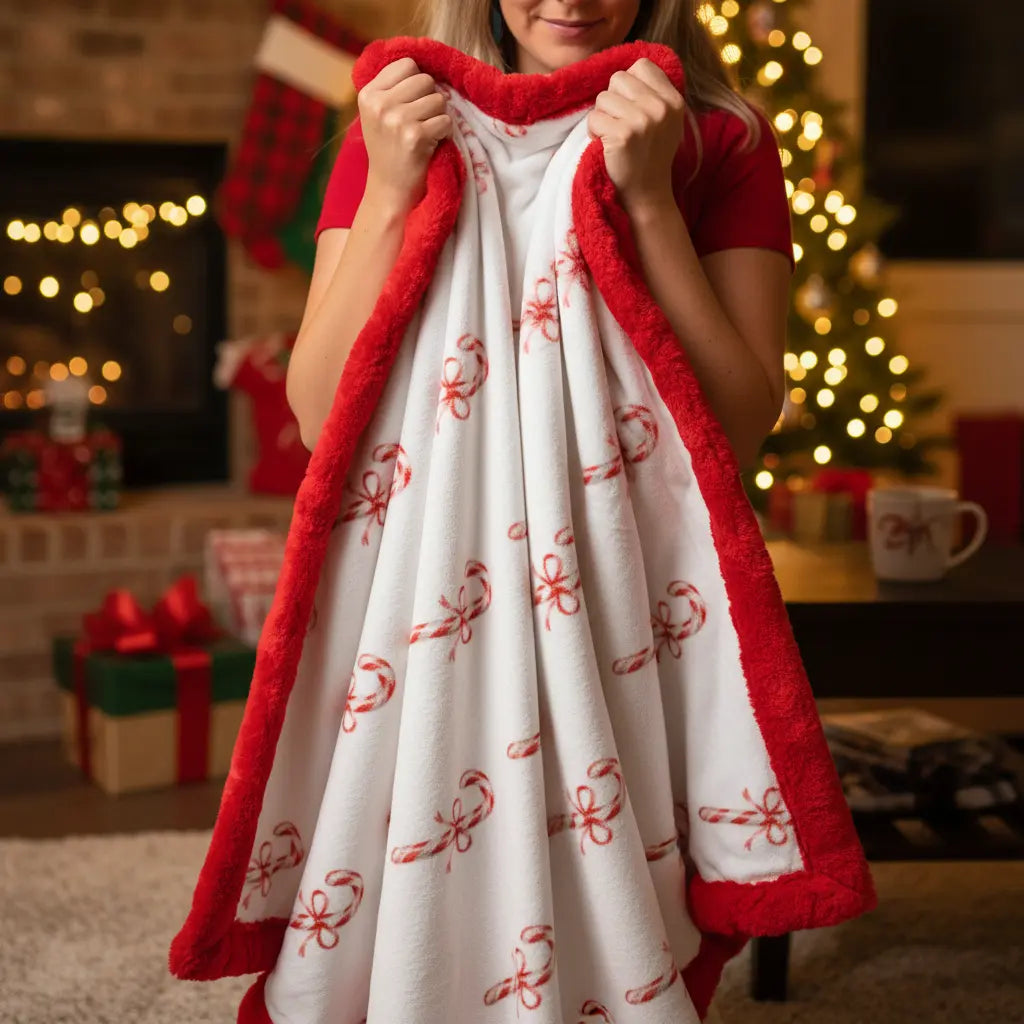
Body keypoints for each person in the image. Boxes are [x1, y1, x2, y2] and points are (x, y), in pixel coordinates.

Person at [286, 0, 792, 471]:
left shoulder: (727, 143)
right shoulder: (400, 130)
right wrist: (390, 190)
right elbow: (317, 419)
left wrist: (649, 201)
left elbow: (741, 432)